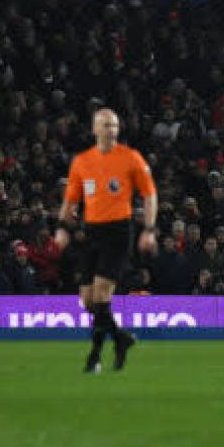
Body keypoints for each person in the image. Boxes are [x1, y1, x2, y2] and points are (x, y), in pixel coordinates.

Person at [56, 108, 158, 374]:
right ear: (94, 130)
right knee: (89, 301)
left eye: (114, 126)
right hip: (92, 232)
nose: (111, 130)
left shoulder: (130, 158)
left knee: (101, 294)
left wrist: (149, 229)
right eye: (105, 125)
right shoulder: (82, 162)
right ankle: (120, 338)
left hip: (118, 232)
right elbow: (71, 199)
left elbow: (149, 195)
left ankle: (95, 356)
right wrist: (62, 227)